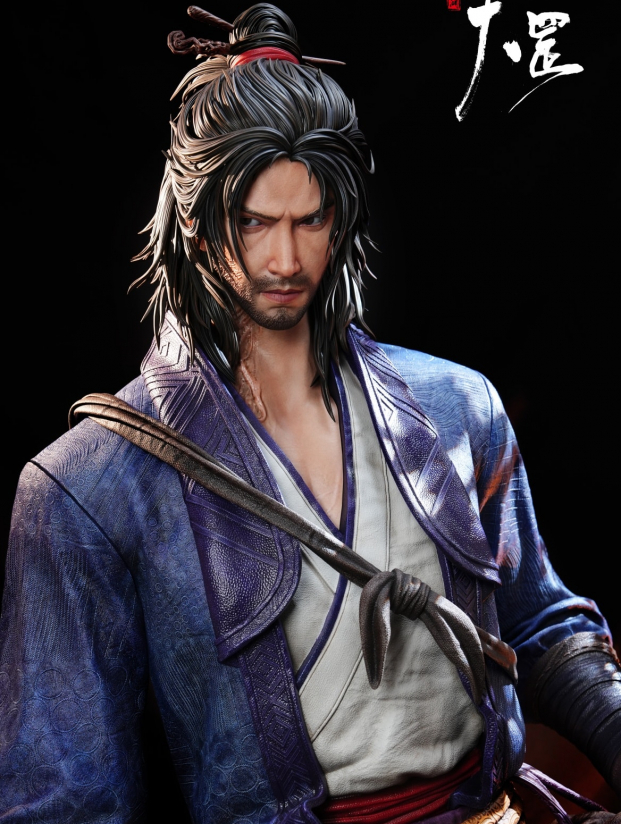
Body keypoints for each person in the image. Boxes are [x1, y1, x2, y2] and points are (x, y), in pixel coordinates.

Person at [1, 4, 619, 823]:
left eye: (309, 219)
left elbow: (538, 626)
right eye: (252, 223)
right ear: (195, 224)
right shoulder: (88, 487)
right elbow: (69, 801)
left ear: (343, 217)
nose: (285, 259)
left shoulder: (457, 408)